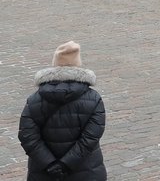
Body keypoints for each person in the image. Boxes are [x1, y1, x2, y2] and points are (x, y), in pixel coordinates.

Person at [18, 41, 107, 180]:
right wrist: (66, 164)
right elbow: (90, 138)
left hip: (44, 173)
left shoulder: (34, 99)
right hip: (86, 171)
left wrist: (50, 164)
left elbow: (27, 135)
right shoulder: (94, 98)